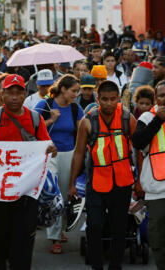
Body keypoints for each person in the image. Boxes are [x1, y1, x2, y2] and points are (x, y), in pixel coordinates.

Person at [0, 74, 56, 270]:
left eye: (18, 93)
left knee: (23, 238)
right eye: (9, 93)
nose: (13, 97)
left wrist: (51, 149)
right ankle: (1, 258)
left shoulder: (35, 119)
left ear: (24, 95)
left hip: (26, 193)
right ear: (2, 95)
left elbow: (47, 147)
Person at [68, 80, 136, 270]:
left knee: (119, 229)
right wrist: (72, 183)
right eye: (104, 99)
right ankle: (97, 266)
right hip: (96, 182)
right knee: (94, 227)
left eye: (113, 99)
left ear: (118, 99)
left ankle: (115, 266)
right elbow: (79, 153)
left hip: (122, 183)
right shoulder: (88, 121)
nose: (108, 103)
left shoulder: (127, 118)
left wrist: (139, 182)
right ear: (98, 99)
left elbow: (139, 147)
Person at [34, 74, 83, 254]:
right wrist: (51, 120)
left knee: (64, 194)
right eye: (73, 91)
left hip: (69, 154)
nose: (76, 94)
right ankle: (54, 237)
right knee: (53, 194)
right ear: (63, 89)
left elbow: (80, 132)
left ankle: (59, 229)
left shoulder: (76, 109)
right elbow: (33, 129)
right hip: (48, 154)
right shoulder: (44, 105)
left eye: (77, 91)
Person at [132, 80, 165, 270]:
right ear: (155, 99)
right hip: (156, 190)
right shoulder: (146, 117)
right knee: (158, 239)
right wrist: (158, 120)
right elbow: (137, 142)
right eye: (161, 95)